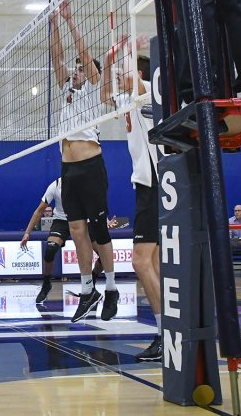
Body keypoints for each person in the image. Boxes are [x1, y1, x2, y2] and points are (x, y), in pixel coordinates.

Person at [50, 0, 118, 322]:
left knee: (98, 230)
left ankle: (113, 288)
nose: (76, 71)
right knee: (76, 230)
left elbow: (84, 54)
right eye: (75, 68)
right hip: (68, 170)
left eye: (81, 67)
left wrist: (70, 20)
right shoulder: (67, 86)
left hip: (91, 166)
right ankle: (88, 290)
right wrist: (53, 24)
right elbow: (56, 58)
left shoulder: (93, 87)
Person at [101, 40, 161, 359]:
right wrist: (111, 61)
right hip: (146, 183)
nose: (119, 77)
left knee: (140, 261)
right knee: (153, 263)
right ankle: (172, 332)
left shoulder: (148, 89)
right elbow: (103, 97)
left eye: (124, 71)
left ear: (137, 72)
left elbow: (135, 80)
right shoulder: (127, 101)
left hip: (154, 181)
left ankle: (166, 333)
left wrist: (126, 46)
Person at [20, 178, 70, 304]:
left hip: (81, 220)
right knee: (50, 249)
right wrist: (27, 233)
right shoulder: (55, 185)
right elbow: (39, 210)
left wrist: (104, 221)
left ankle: (92, 284)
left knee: (98, 250)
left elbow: (94, 203)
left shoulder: (83, 182)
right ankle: (47, 283)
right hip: (61, 221)